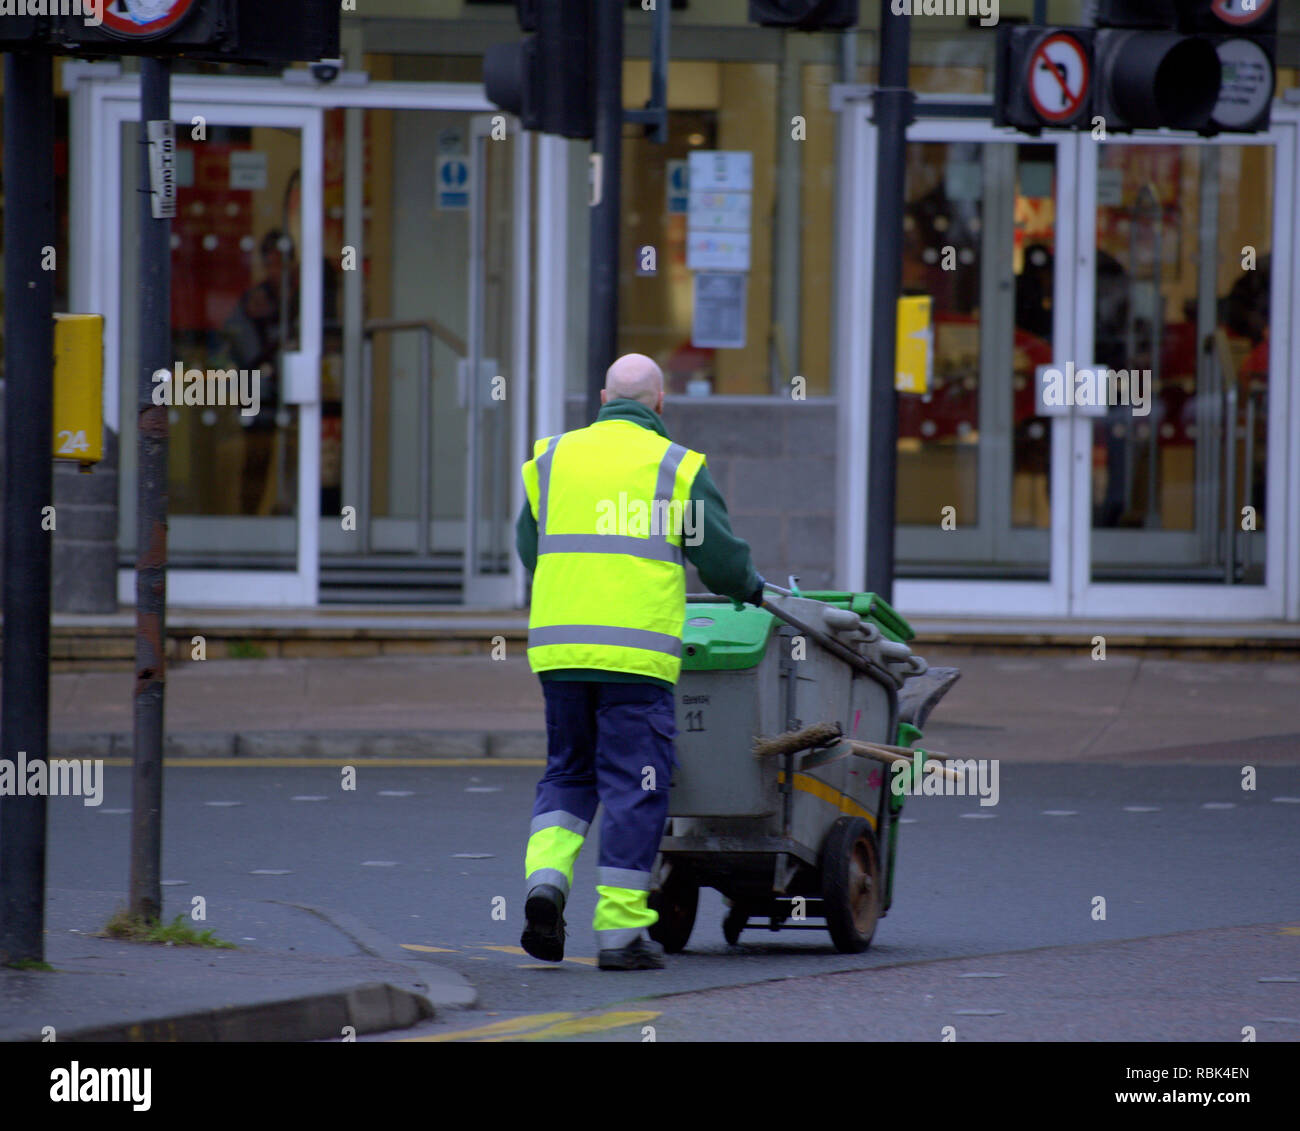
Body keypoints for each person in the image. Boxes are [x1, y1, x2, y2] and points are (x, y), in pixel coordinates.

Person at [515, 353, 764, 970]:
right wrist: (751, 589)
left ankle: (545, 883)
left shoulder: (551, 459)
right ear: (660, 402)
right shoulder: (677, 467)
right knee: (636, 783)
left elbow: (529, 547)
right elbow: (723, 564)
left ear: (603, 398)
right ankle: (620, 935)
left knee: (567, 773)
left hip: (561, 650)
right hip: (635, 657)